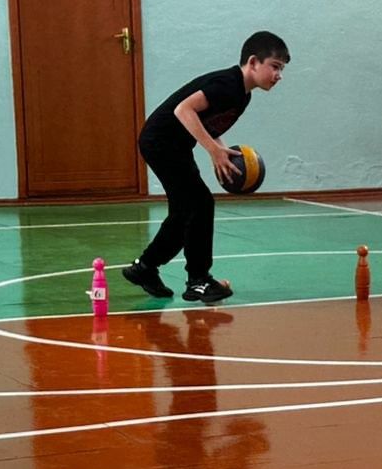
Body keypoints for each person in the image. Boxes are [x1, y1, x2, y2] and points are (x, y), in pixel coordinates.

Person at [122, 31, 289, 304]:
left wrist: (221, 150)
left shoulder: (242, 95)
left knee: (185, 210)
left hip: (174, 144)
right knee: (200, 204)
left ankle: (145, 268)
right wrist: (213, 151)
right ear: (253, 62)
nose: (278, 75)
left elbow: (209, 123)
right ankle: (198, 281)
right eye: (275, 66)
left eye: (281, 69)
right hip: (161, 141)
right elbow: (183, 110)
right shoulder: (227, 84)